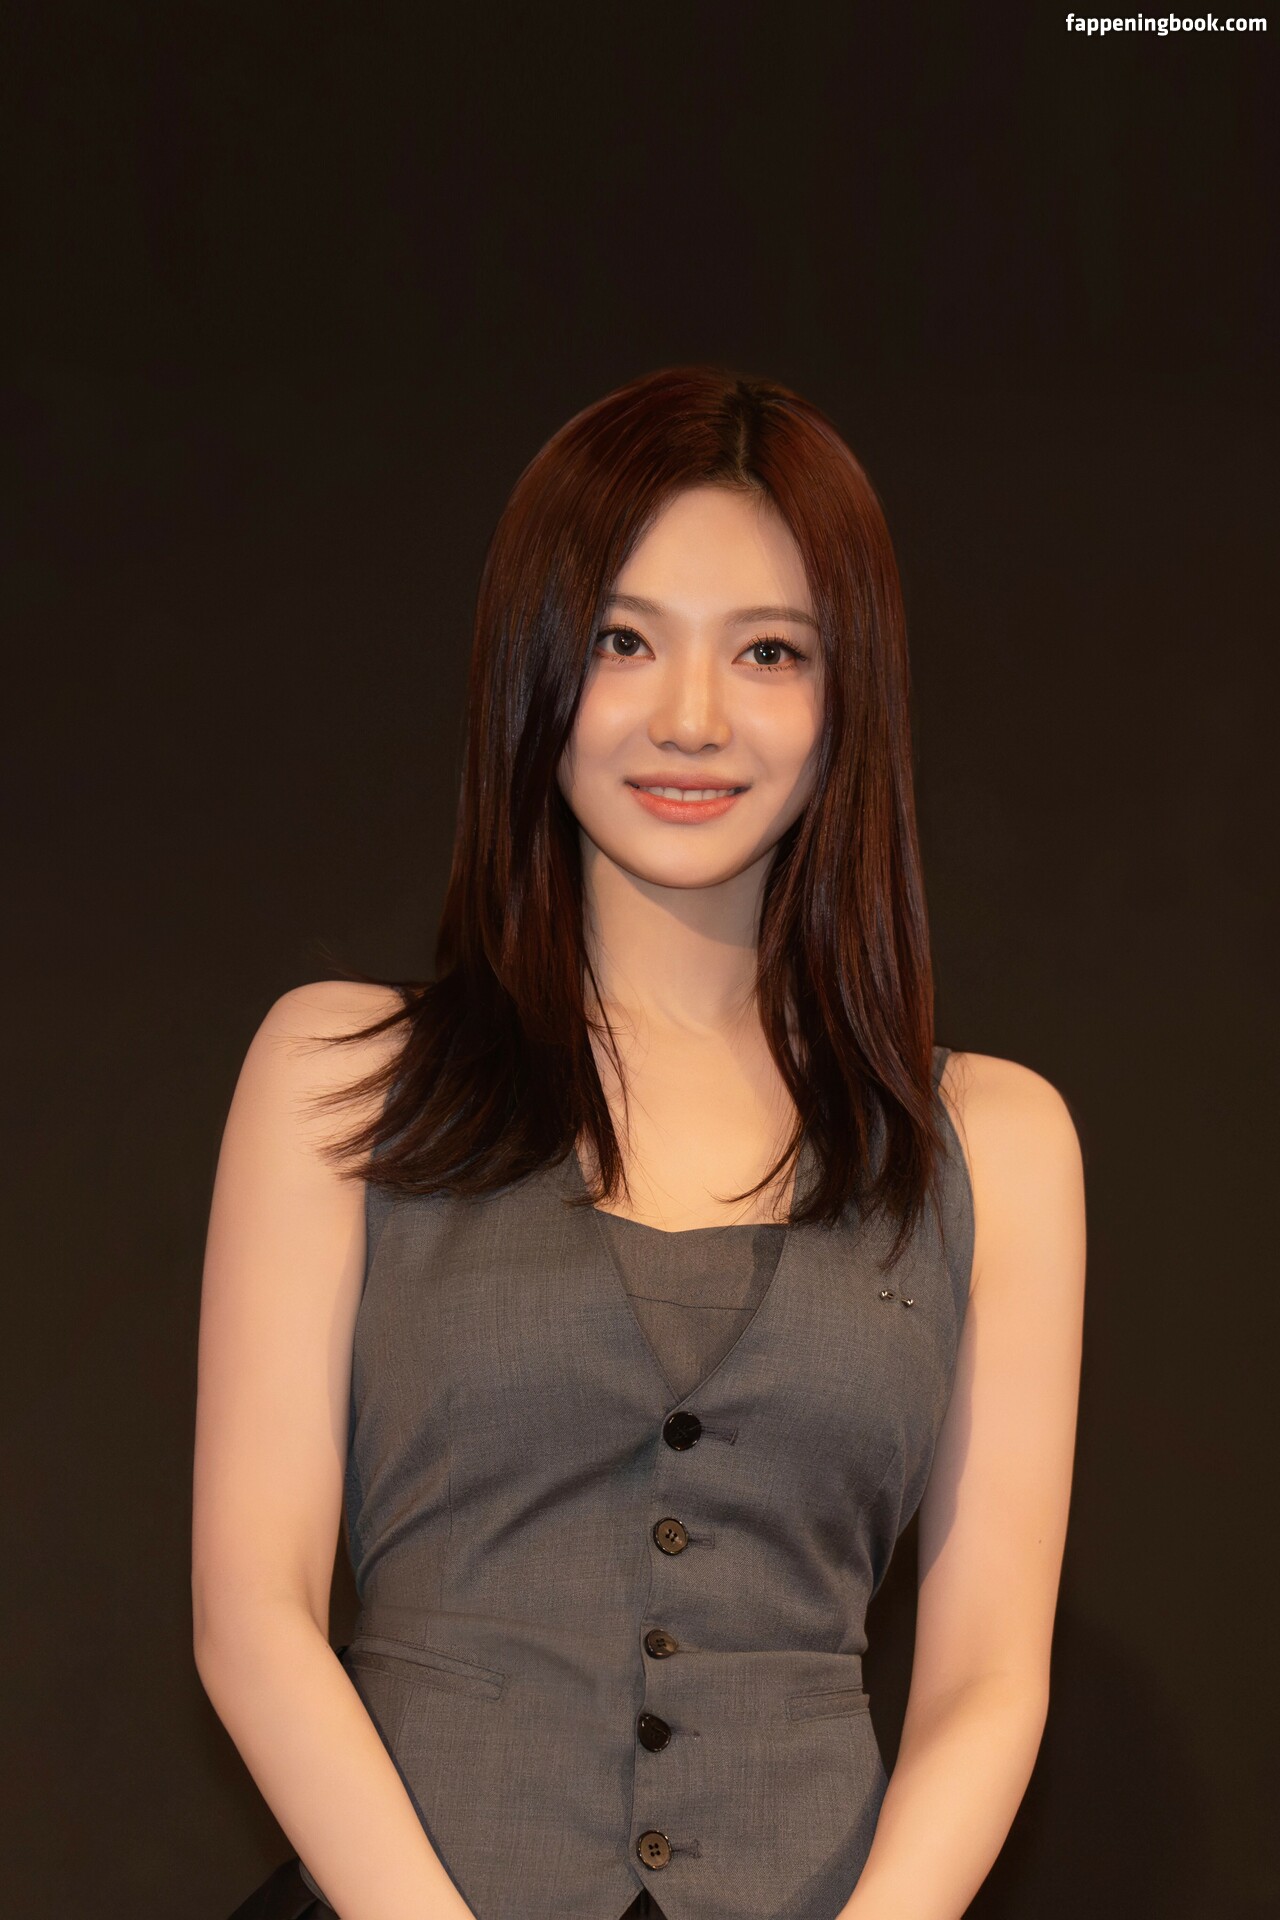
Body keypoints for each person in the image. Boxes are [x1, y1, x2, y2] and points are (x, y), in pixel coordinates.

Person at [193, 365, 1086, 1920]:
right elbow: (250, 1613)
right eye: (623, 640)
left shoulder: (995, 1145)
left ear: (849, 694)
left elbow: (988, 1680)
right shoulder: (339, 1075)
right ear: (534, 665)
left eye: (769, 651)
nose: (691, 717)